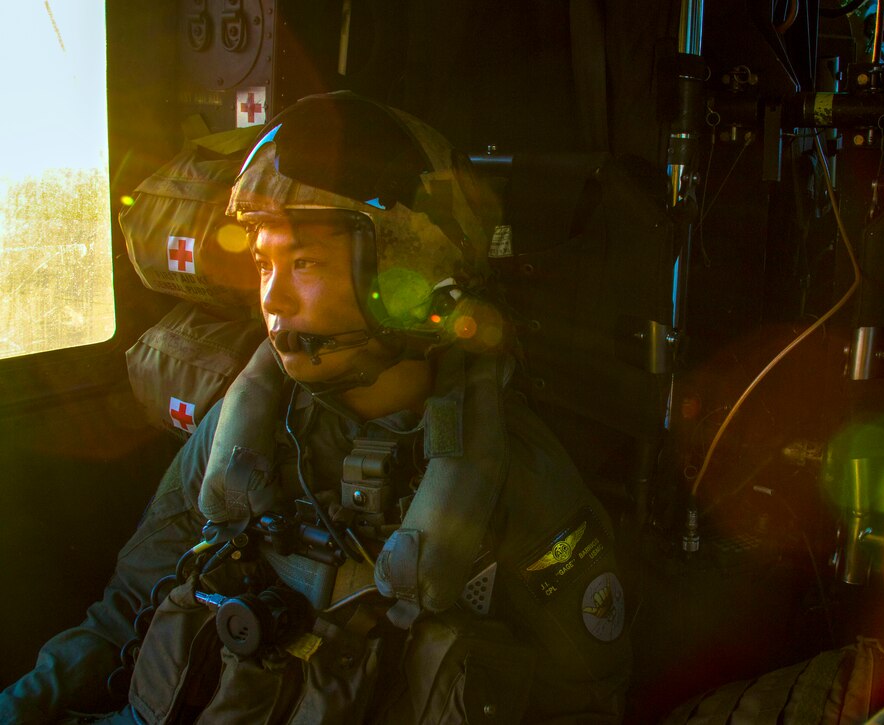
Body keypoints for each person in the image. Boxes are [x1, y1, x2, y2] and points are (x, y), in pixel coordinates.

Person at [0, 92, 631, 723]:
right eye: (262, 262)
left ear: (408, 270)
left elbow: (589, 697)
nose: (273, 298)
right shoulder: (242, 428)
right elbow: (125, 613)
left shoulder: (512, 473)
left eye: (304, 262)